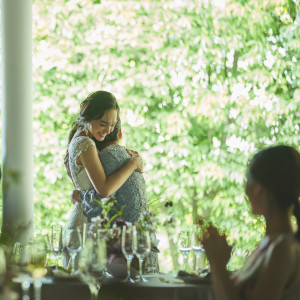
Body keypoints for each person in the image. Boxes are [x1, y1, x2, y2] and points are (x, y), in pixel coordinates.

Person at [202, 145, 300, 300]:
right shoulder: (269, 244)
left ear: (259, 188)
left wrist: (219, 265)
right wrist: (217, 263)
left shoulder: (282, 249)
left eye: (248, 181)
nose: (246, 191)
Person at [63, 90, 143, 268]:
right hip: (84, 226)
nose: (108, 130)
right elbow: (105, 190)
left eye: (113, 125)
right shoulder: (86, 144)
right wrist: (132, 164)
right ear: (87, 118)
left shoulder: (81, 138)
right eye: (103, 124)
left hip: (85, 220)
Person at [70, 118, 160, 274]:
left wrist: (80, 195)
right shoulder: (129, 156)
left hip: (124, 247)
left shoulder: (106, 157)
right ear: (120, 133)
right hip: (142, 240)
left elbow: (104, 198)